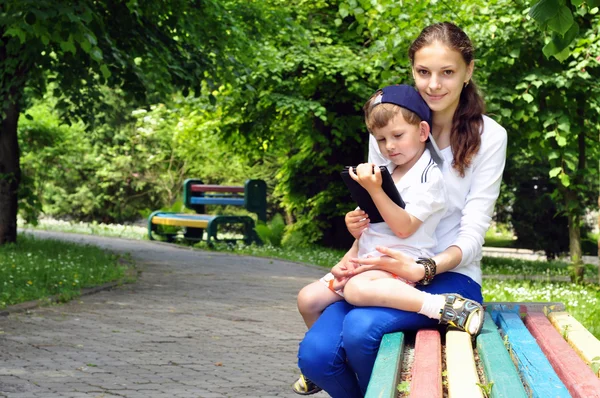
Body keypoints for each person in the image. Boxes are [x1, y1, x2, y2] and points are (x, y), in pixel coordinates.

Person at [296, 22, 507, 398]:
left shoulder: (489, 137)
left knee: (362, 331)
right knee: (315, 356)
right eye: (423, 72)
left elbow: (473, 234)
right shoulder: (391, 127)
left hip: (448, 276)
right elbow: (379, 210)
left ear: (468, 72)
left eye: (447, 72)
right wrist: (353, 242)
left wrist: (421, 268)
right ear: (412, 70)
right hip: (383, 268)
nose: (434, 85)